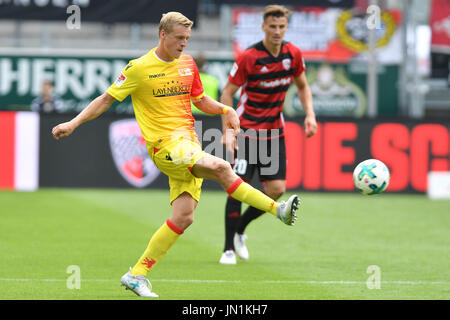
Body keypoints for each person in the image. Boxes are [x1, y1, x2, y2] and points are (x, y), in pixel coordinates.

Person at [51, 11, 301, 298]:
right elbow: (106, 98)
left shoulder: (188, 63)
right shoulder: (139, 68)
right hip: (164, 147)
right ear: (163, 34)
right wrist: (73, 123)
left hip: (189, 145)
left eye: (187, 39)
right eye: (179, 38)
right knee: (221, 168)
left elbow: (199, 99)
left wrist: (226, 109)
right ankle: (277, 210)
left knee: (183, 217)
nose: (184, 43)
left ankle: (136, 274)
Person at [219, 5, 317, 265]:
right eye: (272, 26)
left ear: (286, 28)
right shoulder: (249, 57)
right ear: (263, 27)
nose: (276, 31)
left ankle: (240, 229)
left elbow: (303, 86)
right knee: (237, 189)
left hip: (274, 132)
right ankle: (228, 249)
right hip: (246, 131)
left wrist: (310, 115)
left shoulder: (293, 54)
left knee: (276, 190)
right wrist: (227, 131)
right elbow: (227, 93)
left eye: (281, 27)